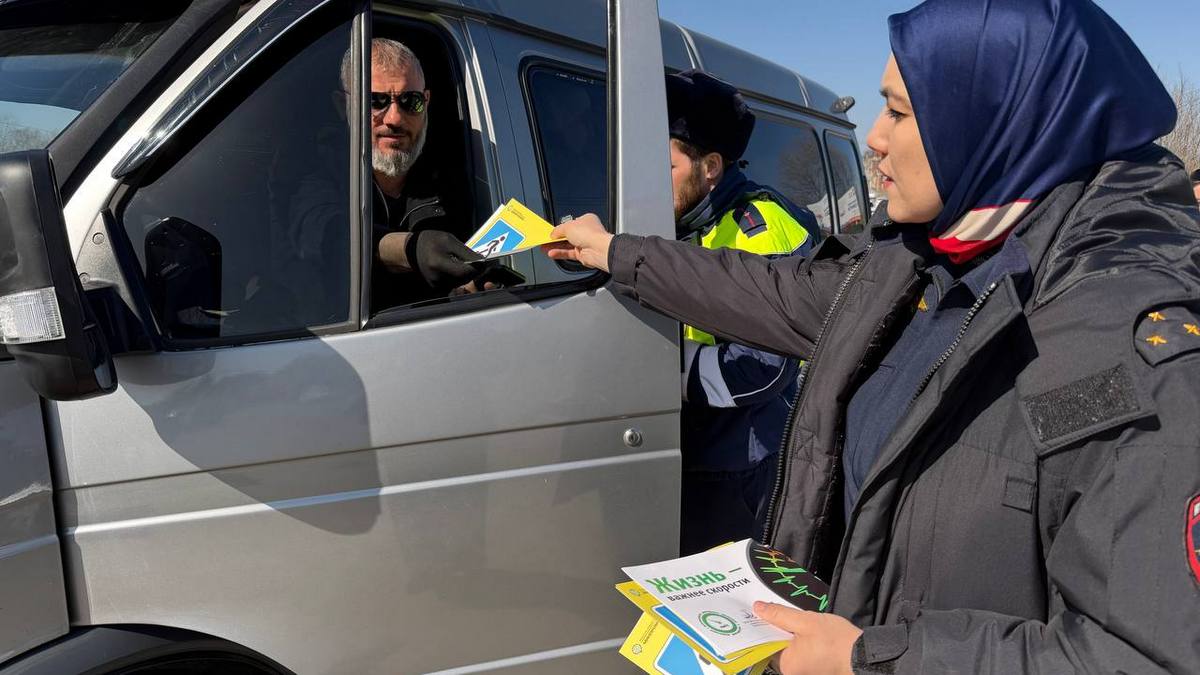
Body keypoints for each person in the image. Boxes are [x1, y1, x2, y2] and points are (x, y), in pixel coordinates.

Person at [546, 0, 1200, 672]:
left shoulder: (1126, 342)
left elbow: (1146, 653)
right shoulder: (916, 267)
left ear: (987, 120)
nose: (874, 139)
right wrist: (614, 251)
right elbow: (759, 287)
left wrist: (869, 659)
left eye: (898, 111)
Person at [664, 69, 818, 554]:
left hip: (743, 460)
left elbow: (761, 368)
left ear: (710, 167)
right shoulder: (681, 220)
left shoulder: (760, 229)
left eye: (664, 165)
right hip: (696, 445)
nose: (649, 178)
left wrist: (658, 368)